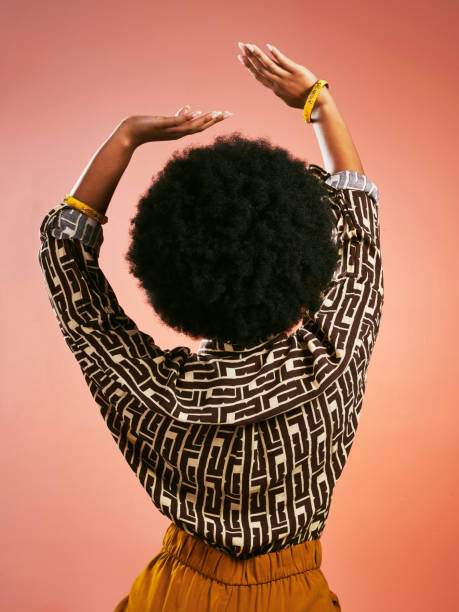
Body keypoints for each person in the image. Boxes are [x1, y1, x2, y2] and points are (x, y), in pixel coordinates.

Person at [38, 42, 383, 611]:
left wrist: (126, 136)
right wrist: (319, 104)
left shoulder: (149, 391)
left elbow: (67, 266)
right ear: (303, 258)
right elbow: (359, 229)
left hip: (174, 594)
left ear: (168, 268)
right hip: (292, 598)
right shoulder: (333, 362)